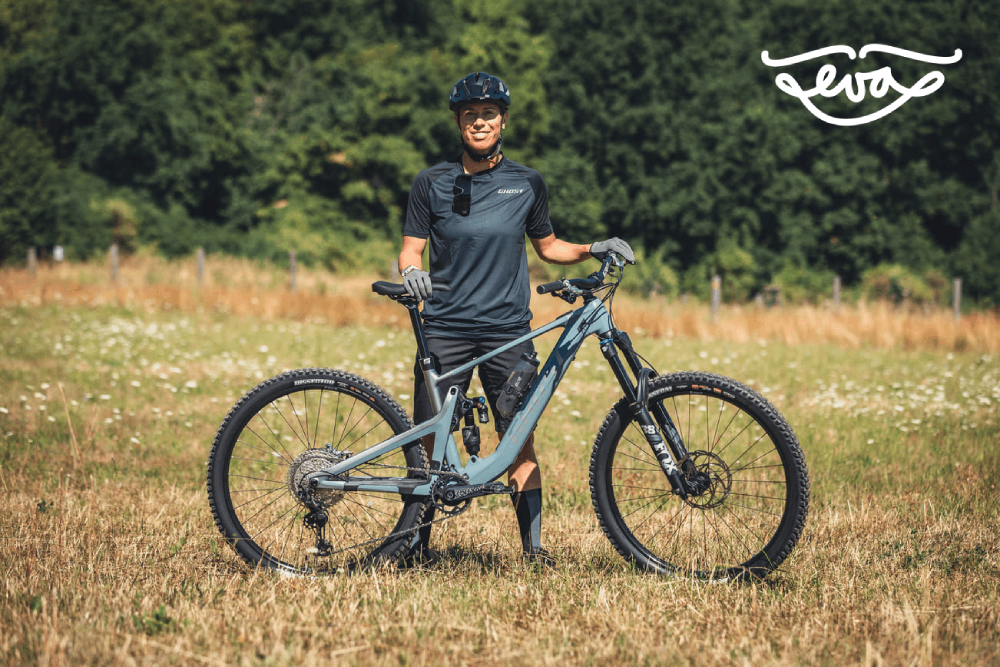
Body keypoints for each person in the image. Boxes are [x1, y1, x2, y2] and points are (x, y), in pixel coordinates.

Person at [399, 71, 634, 567]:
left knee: (519, 440)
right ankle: (415, 550)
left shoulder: (527, 183)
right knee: (428, 444)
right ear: (458, 123)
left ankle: (533, 552)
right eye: (470, 115)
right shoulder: (431, 183)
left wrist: (594, 247)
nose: (479, 122)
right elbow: (410, 250)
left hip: (507, 332)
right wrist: (411, 272)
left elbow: (549, 247)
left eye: (488, 114)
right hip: (445, 328)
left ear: (503, 120)